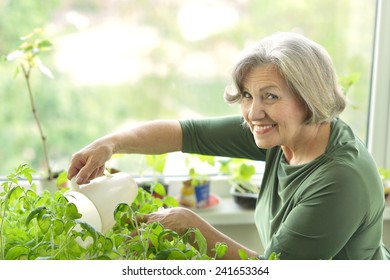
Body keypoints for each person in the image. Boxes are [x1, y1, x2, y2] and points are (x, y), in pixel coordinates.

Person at [67, 32, 390, 260]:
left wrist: (190, 225)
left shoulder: (340, 178)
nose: (253, 113)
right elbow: (183, 133)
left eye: (271, 96)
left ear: (309, 99)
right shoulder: (285, 132)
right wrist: (109, 144)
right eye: (248, 96)